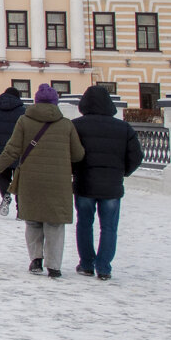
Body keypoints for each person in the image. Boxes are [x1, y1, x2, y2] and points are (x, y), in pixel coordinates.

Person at [0, 83, 84, 279]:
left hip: (30, 180)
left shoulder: (24, 121)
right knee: (54, 224)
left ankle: (36, 260)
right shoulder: (66, 124)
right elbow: (78, 154)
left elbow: (12, 150)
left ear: (36, 101)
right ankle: (54, 266)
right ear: (56, 103)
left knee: (33, 222)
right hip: (58, 181)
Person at [71, 84, 143, 281]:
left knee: (84, 224)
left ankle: (86, 264)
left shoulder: (76, 125)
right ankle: (103, 267)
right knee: (109, 227)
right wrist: (121, 172)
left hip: (84, 183)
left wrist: (74, 170)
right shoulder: (124, 128)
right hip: (112, 185)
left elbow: (68, 153)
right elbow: (136, 156)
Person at [0, 86, 26, 217]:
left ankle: (5, 196)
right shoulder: (23, 111)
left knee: (2, 175)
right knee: (20, 178)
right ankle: (21, 210)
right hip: (19, 150)